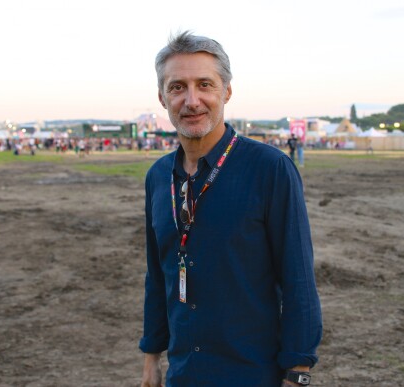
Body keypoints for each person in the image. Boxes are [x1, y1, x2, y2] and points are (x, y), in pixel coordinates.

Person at [140, 31, 322, 387]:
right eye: (177, 87)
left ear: (226, 91)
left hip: (253, 374)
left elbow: (298, 278)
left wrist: (298, 373)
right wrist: (151, 356)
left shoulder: (270, 169)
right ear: (162, 98)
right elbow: (157, 276)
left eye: (204, 84)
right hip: (183, 373)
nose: (192, 100)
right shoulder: (158, 176)